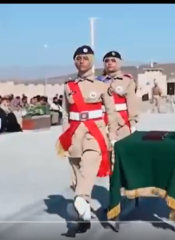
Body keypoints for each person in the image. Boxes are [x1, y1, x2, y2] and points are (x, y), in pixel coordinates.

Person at [55, 45, 118, 236]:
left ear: (91, 60)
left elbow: (111, 112)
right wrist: (65, 135)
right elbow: (65, 113)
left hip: (94, 135)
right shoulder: (68, 86)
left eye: (85, 57)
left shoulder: (102, 85)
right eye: (78, 58)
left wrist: (113, 136)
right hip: (74, 136)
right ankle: (84, 217)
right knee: (76, 178)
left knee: (87, 171)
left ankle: (80, 201)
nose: (81, 61)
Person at [99, 51, 139, 139]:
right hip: (103, 121)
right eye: (107, 61)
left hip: (122, 122)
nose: (110, 63)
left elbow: (131, 103)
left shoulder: (127, 80)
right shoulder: (98, 81)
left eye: (113, 60)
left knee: (121, 149)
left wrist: (133, 123)